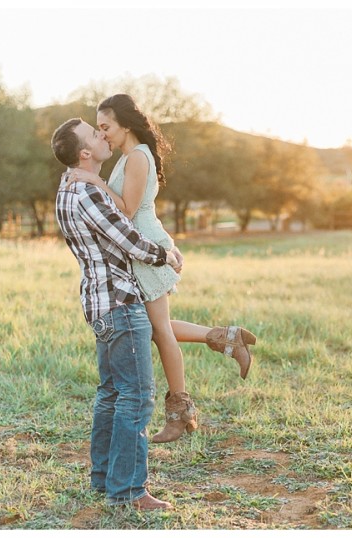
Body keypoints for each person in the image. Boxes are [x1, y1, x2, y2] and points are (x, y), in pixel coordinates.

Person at [68, 94, 256, 443]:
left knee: (159, 331)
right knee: (156, 326)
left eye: (106, 127)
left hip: (146, 253)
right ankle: (226, 338)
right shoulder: (127, 158)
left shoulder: (137, 157)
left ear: (125, 124)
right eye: (99, 129)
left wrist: (92, 181)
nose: (103, 134)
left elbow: (125, 210)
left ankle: (181, 413)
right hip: (145, 248)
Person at [52, 117, 180, 510]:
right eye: (95, 133)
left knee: (111, 394)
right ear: (86, 153)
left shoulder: (67, 188)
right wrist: (167, 255)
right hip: (121, 305)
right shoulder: (89, 194)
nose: (103, 135)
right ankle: (128, 491)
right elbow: (127, 239)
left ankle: (104, 478)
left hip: (98, 303)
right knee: (137, 397)